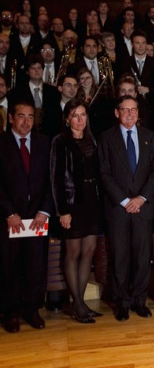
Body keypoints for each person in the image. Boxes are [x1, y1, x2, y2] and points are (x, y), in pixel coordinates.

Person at [98, 95, 154, 321]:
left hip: (143, 209)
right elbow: (104, 174)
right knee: (120, 258)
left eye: (134, 110)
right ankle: (122, 302)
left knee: (143, 258)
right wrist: (125, 201)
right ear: (117, 113)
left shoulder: (149, 137)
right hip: (118, 210)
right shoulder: (106, 138)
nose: (130, 114)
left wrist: (141, 198)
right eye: (125, 110)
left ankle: (139, 301)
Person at [0, 99, 53, 333]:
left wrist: (44, 211)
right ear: (11, 118)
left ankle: (32, 309)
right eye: (21, 116)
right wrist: (9, 212)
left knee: (35, 264)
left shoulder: (44, 143)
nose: (26, 122)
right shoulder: (1, 143)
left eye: (30, 117)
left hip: (37, 218)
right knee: (9, 265)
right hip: (10, 218)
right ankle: (10, 312)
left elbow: (52, 181)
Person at [50, 99, 103, 323]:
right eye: (75, 115)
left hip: (93, 202)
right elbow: (56, 178)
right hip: (72, 203)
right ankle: (78, 304)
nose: (80, 120)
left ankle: (79, 303)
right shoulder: (60, 141)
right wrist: (62, 211)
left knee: (89, 251)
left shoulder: (93, 140)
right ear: (67, 119)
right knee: (73, 253)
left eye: (83, 115)